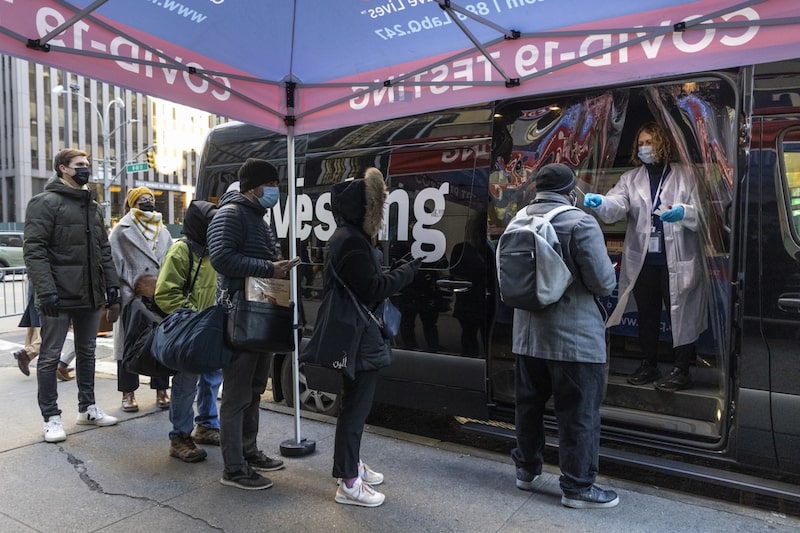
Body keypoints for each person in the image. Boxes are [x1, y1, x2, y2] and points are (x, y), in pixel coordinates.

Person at [511, 163, 619, 509]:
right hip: (574, 341)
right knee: (578, 414)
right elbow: (604, 282)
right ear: (571, 191)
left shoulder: (518, 218)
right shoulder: (580, 222)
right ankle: (577, 487)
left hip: (527, 338)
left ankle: (526, 472)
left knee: (528, 408)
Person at [584, 122, 707, 392]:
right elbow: (617, 204)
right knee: (647, 314)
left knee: (681, 314)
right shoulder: (631, 178)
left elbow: (702, 215)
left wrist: (683, 213)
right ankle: (648, 363)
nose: (644, 148)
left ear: (663, 143)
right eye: (640, 143)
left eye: (649, 142)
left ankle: (681, 369)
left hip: (677, 259)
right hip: (644, 262)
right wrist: (601, 202)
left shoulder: (686, 175)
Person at [324, 168, 420, 507]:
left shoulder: (346, 236)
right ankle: (348, 482)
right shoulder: (352, 242)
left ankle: (350, 466)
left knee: (353, 406)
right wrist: (407, 271)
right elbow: (373, 288)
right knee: (355, 408)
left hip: (356, 333)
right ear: (363, 208)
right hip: (359, 337)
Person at [23, 148, 121, 443]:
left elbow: (103, 249)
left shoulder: (91, 205)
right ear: (63, 168)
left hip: (90, 294)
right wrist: (46, 290)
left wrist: (111, 284)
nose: (86, 169)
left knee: (88, 352)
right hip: (57, 295)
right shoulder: (44, 203)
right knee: (50, 356)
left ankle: (87, 408)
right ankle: (51, 417)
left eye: (86, 165)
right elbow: (34, 250)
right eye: (80, 165)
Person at [207, 158, 292, 490]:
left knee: (256, 388)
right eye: (271, 184)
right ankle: (234, 468)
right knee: (237, 394)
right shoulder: (230, 214)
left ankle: (249, 451)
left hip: (259, 311)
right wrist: (270, 268)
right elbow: (222, 258)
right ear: (255, 186)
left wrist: (274, 263)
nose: (275, 191)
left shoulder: (257, 216)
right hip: (239, 313)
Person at [155, 200, 223, 463]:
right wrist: (193, 316)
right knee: (185, 384)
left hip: (212, 328)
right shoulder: (181, 251)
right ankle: (180, 436)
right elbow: (165, 293)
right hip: (191, 330)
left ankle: (206, 425)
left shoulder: (214, 250)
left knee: (212, 378)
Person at [110, 187, 173, 411]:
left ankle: (161, 389)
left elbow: (170, 259)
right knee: (129, 344)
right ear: (132, 204)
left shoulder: (162, 229)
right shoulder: (121, 230)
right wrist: (132, 285)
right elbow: (113, 263)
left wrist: (162, 283)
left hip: (158, 293)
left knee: (160, 342)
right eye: (142, 200)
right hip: (132, 295)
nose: (148, 203)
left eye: (151, 199)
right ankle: (128, 393)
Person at [14, 282, 77, 381]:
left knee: (41, 329)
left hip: (42, 290)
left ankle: (29, 354)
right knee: (54, 332)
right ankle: (28, 353)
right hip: (53, 292)